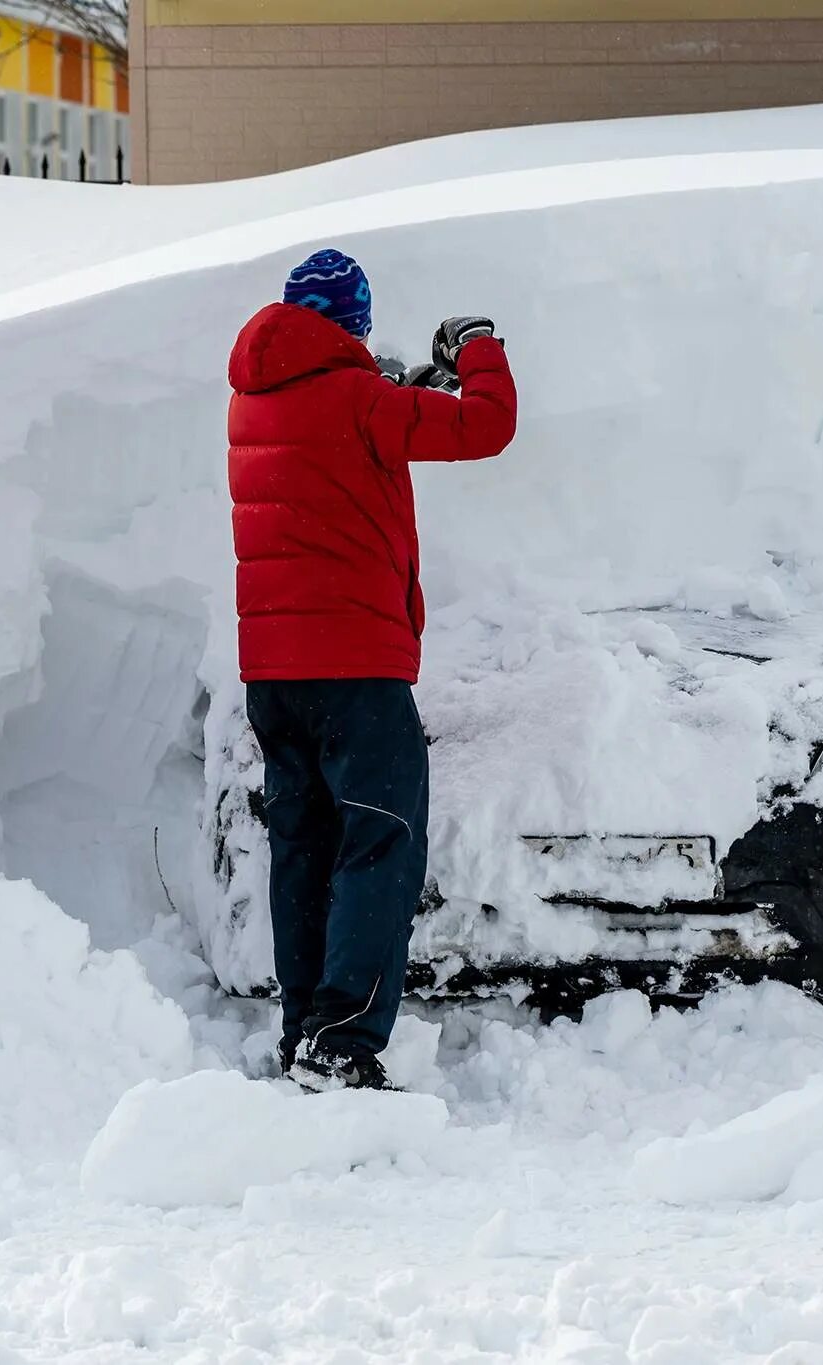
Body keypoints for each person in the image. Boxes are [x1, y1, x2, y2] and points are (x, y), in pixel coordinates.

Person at [227, 247, 517, 1090]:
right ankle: (343, 1040)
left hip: (273, 677)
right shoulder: (363, 401)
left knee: (304, 852)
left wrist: (405, 388)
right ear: (354, 326)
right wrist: (477, 350)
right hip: (354, 668)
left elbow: (353, 425)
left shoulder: (254, 399)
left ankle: (303, 1031)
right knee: (378, 845)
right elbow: (485, 425)